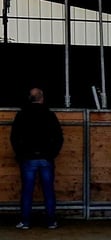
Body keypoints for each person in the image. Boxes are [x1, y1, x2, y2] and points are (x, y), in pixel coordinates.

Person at [10, 87, 64, 230]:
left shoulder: (21, 115)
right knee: (48, 190)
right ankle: (51, 221)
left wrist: (20, 154)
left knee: (27, 190)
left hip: (28, 158)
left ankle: (25, 221)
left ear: (30, 98)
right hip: (46, 158)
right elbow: (59, 137)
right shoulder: (50, 115)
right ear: (42, 98)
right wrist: (52, 153)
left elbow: (14, 137)